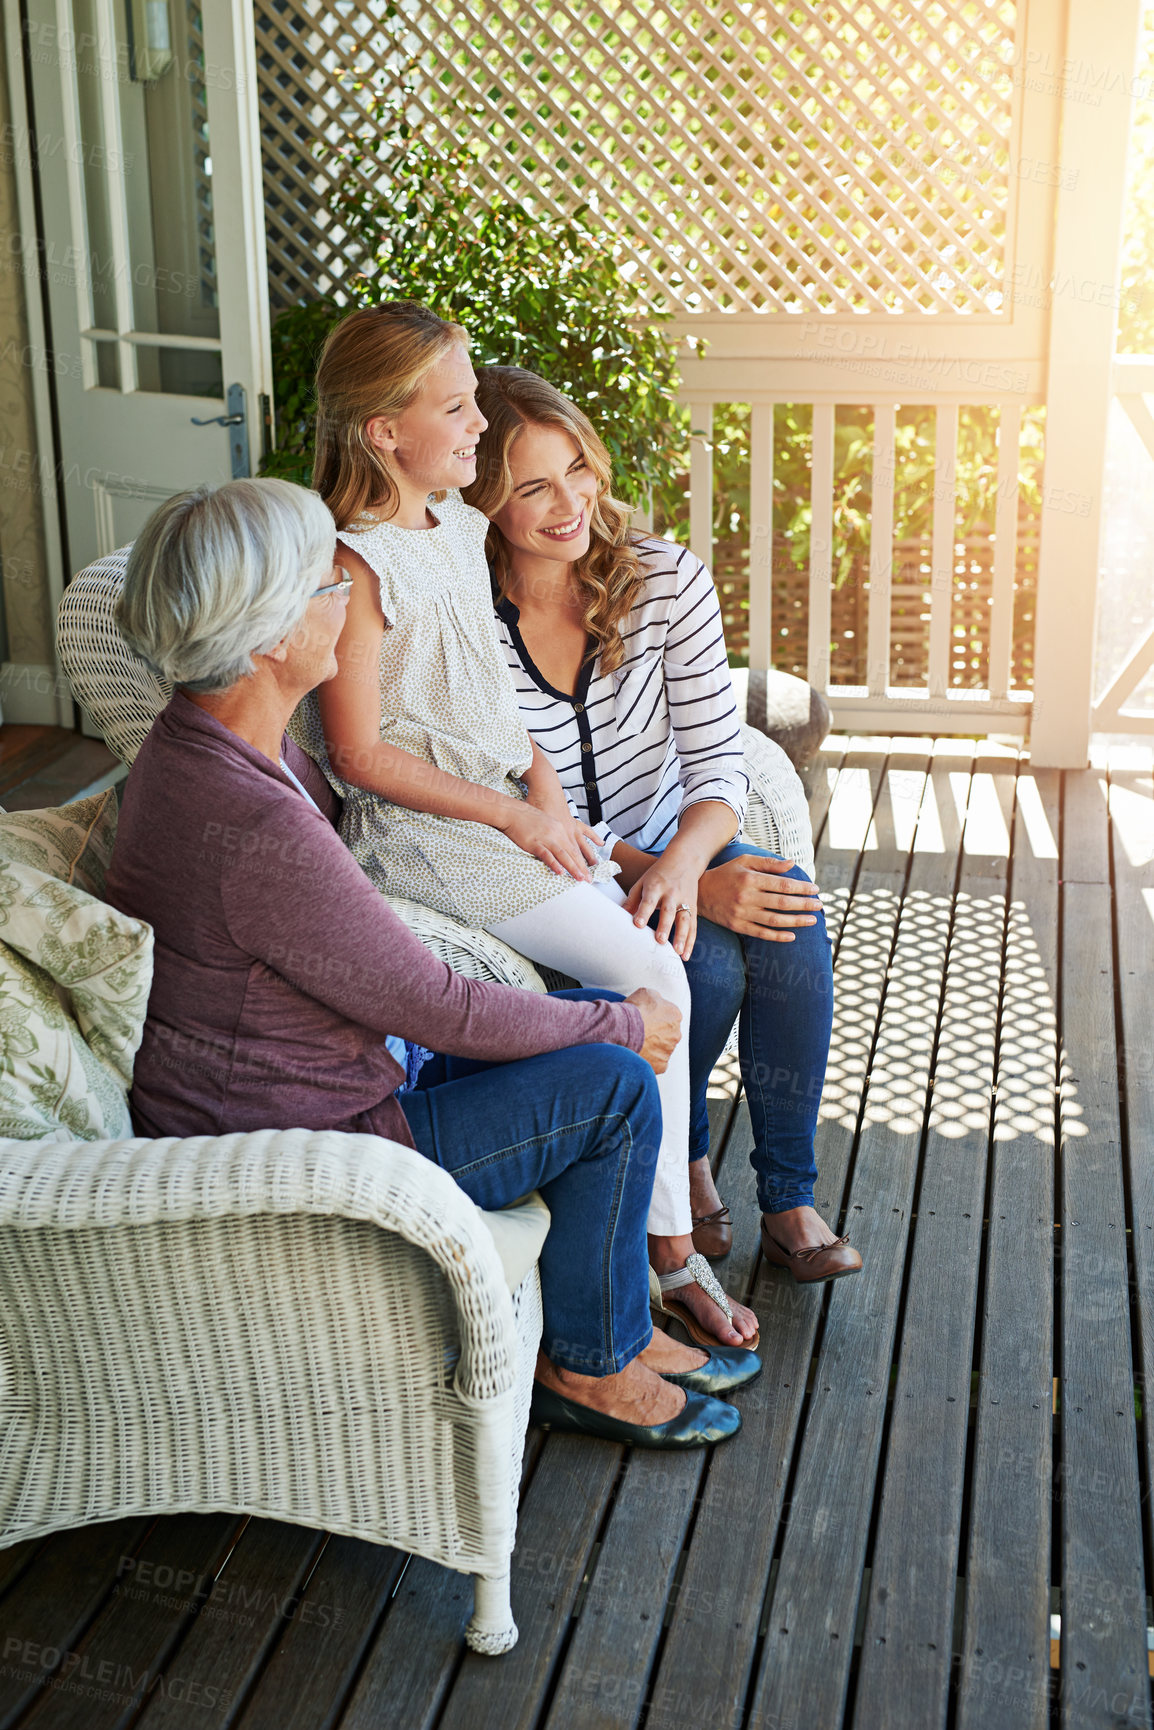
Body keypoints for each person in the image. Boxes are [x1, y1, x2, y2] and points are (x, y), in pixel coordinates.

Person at [106, 477, 760, 1449]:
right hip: (316, 1148)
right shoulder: (252, 823)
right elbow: (433, 1003)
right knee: (615, 1079)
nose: (346, 598)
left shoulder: (216, 745)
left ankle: (610, 1323)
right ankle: (592, 1362)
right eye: (325, 584)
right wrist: (623, 1021)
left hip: (316, 1090)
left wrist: (602, 1008)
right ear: (268, 636)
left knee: (589, 1022)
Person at [288, 301, 758, 1350]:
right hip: (429, 838)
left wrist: (541, 785)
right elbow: (361, 755)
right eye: (456, 409)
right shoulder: (355, 564)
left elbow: (497, 716)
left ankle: (652, 1228)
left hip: (511, 816)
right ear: (383, 432)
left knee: (656, 968)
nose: (475, 430)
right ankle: (667, 1256)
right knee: (659, 980)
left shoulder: (454, 523)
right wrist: (510, 809)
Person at [463, 366, 862, 1286]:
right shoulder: (468, 624)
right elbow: (524, 807)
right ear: (485, 500)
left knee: (788, 913)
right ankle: (686, 1169)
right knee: (707, 961)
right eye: (532, 486)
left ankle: (789, 1194)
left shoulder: (665, 580)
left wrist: (685, 866)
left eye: (578, 471)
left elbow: (721, 762)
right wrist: (658, 875)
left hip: (677, 833)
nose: (570, 504)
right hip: (560, 865)